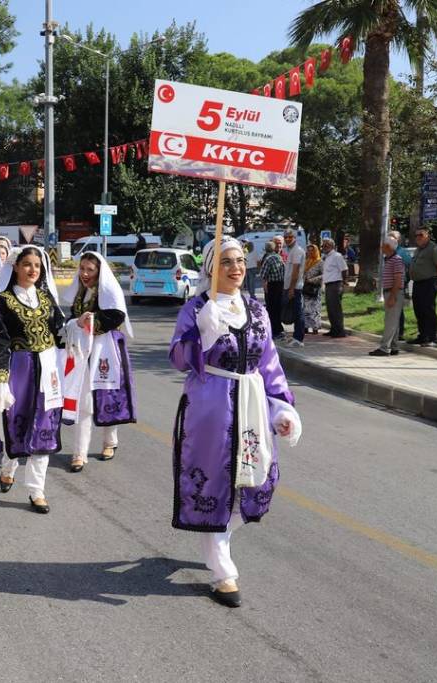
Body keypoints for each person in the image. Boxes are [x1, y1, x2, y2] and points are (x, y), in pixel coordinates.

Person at [169, 237, 300, 608]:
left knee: (257, 482)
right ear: (211, 268)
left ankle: (219, 539)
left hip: (253, 406)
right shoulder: (196, 308)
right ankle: (222, 569)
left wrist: (282, 408)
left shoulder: (257, 310)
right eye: (226, 261)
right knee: (216, 485)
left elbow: (269, 363)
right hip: (211, 408)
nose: (236, 268)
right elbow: (177, 358)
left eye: (240, 260)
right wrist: (202, 334)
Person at [0, 246, 64, 515]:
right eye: (27, 264)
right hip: (18, 368)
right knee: (15, 421)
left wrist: (81, 325)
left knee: (44, 423)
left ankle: (36, 490)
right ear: (15, 266)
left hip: (48, 368)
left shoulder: (45, 297)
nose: (33, 270)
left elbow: (59, 331)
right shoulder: (1, 302)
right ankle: (8, 467)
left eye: (38, 266)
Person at [61, 252, 137, 473]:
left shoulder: (108, 290)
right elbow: (71, 318)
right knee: (83, 399)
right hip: (83, 351)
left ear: (99, 271)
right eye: (82, 268)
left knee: (107, 394)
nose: (84, 274)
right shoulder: (80, 292)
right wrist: (77, 321)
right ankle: (79, 453)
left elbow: (116, 316)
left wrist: (91, 321)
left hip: (106, 350)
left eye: (90, 269)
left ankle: (109, 442)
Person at [409, 227, 437, 347]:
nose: (418, 237)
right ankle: (423, 336)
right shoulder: (418, 250)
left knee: (428, 310)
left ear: (427, 236)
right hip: (418, 283)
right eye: (416, 235)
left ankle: (432, 338)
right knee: (419, 310)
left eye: (421, 235)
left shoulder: (433, 249)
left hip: (429, 283)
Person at [370, 236, 405, 357]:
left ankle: (384, 348)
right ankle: (394, 346)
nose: (381, 247)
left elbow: (398, 278)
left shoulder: (397, 259)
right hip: (389, 292)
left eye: (383, 245)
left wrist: (392, 296)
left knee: (390, 322)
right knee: (392, 321)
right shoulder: (389, 259)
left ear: (388, 247)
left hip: (393, 292)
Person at [282, 229, 305, 347]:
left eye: (290, 237)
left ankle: (298, 339)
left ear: (295, 238)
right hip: (289, 286)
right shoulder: (290, 250)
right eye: (285, 237)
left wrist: (291, 288)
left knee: (298, 312)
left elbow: (295, 271)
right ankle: (296, 337)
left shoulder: (297, 251)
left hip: (295, 287)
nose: (287, 239)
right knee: (292, 312)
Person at [320, 238, 348, 337]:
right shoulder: (327, 257)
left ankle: (340, 331)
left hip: (335, 284)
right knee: (330, 309)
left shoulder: (337, 256)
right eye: (323, 245)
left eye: (326, 245)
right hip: (328, 284)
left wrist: (343, 282)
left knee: (336, 309)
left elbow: (344, 269)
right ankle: (334, 329)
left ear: (331, 245)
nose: (324, 247)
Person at [259, 241, 284, 339]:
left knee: (271, 309)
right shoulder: (279, 257)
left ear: (266, 248)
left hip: (272, 286)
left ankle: (274, 331)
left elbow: (263, 274)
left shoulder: (268, 259)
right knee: (278, 308)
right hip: (280, 285)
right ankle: (279, 329)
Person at [301, 244, 323, 335]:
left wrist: (312, 280)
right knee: (305, 308)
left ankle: (315, 328)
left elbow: (323, 275)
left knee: (314, 309)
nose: (310, 252)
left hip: (314, 288)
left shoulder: (320, 262)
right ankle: (306, 326)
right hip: (305, 287)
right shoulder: (306, 261)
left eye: (312, 250)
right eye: (308, 250)